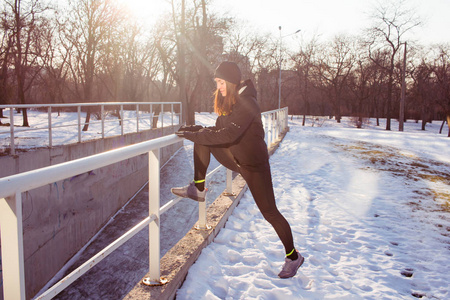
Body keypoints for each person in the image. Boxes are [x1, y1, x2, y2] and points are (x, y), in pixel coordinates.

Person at [172, 61, 304, 278]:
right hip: (238, 159)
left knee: (270, 212)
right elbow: (219, 130)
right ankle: (198, 187)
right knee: (202, 140)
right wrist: (196, 130)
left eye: (221, 82)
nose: (219, 86)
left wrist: (196, 135)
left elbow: (228, 135)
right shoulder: (233, 101)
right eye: (217, 82)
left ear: (232, 81)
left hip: (254, 166)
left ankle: (293, 256)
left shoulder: (247, 102)